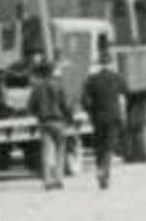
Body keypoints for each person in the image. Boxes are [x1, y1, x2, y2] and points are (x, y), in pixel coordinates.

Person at [82, 55, 130, 189]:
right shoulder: (117, 78)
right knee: (109, 146)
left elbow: (85, 101)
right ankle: (104, 172)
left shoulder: (91, 80)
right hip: (113, 117)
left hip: (97, 117)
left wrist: (90, 112)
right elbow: (127, 92)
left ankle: (99, 170)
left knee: (99, 146)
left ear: (98, 64)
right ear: (111, 64)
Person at [27, 60, 75, 190]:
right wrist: (70, 119)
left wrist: (38, 114)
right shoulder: (59, 86)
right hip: (59, 122)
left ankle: (47, 181)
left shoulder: (37, 88)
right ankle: (59, 179)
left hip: (44, 123)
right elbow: (65, 105)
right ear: (52, 72)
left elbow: (30, 107)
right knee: (60, 152)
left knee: (46, 152)